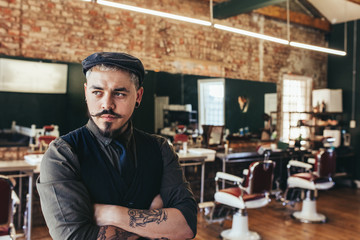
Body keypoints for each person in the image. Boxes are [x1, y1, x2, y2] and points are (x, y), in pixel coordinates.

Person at [36, 52, 197, 239]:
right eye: (97, 92)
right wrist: (156, 224)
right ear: (86, 93)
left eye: (119, 93)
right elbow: (73, 236)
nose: (107, 104)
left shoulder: (160, 149)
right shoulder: (62, 155)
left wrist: (111, 214)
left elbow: (186, 225)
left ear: (138, 96)